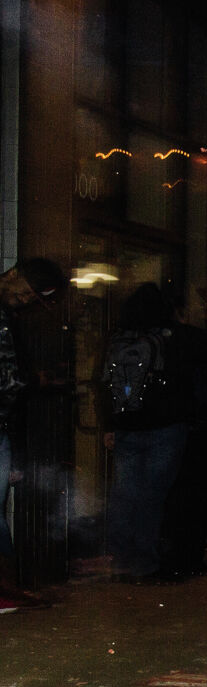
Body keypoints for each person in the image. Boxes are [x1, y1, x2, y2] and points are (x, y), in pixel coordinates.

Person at [101, 283, 199, 584]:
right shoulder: (170, 340)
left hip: (126, 427)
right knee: (152, 498)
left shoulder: (117, 338)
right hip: (164, 429)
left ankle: (119, 558)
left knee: (123, 494)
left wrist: (109, 425)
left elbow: (103, 383)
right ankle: (144, 562)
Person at [0, 258, 64, 608]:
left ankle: (7, 587)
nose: (25, 301)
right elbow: (7, 379)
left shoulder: (10, 318)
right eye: (26, 293)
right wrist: (32, 380)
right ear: (12, 276)